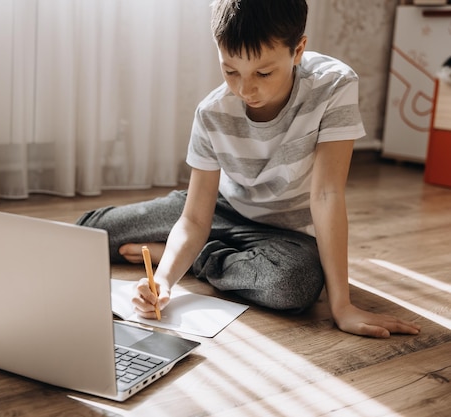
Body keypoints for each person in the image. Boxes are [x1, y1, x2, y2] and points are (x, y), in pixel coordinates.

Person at [77, 0, 421, 338]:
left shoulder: (334, 86)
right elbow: (196, 218)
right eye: (230, 71)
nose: (245, 89)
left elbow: (327, 195)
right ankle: (187, 254)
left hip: (288, 233)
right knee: (90, 233)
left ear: (298, 50)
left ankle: (197, 257)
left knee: (291, 287)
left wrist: (342, 306)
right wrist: (163, 281)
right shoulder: (212, 112)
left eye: (263, 72)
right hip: (222, 209)